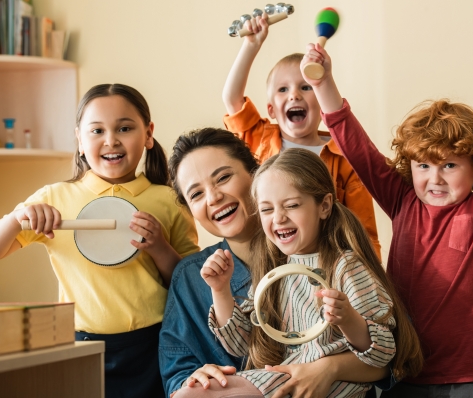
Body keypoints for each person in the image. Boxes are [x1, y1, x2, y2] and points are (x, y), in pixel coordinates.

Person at [301, 43, 473, 397]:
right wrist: (323, 84)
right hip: (405, 372)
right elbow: (357, 148)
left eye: (449, 165)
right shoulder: (402, 200)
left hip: (470, 376)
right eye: (423, 166)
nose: (435, 179)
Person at [0, 84, 199, 398]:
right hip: (79, 345)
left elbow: (189, 283)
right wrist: (17, 218)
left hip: (156, 343)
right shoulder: (54, 198)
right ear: (79, 140)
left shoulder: (169, 200)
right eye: (97, 131)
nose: (111, 140)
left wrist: (160, 247)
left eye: (124, 128)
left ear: (148, 134)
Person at [160, 129, 401, 398]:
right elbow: (237, 346)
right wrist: (220, 290)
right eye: (196, 194)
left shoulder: (342, 266)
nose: (214, 197)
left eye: (224, 177)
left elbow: (385, 357)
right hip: (280, 378)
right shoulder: (211, 276)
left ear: (253, 176)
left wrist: (333, 361)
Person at [221, 14, 382, 257]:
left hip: (326, 263)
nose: (294, 95)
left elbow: (364, 231)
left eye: (305, 87)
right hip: (270, 260)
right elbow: (232, 100)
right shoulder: (260, 138)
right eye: (283, 89)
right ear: (271, 110)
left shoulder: (343, 156)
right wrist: (251, 45)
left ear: (321, 101)